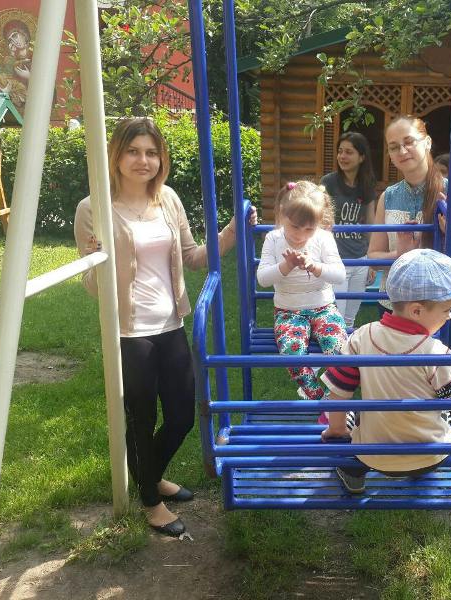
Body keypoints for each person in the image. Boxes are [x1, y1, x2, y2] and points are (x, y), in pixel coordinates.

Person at [74, 117, 256, 537]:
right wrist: (97, 261)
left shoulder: (168, 199)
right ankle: (151, 502)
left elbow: (193, 256)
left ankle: (149, 477)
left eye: (151, 152)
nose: (143, 160)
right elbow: (91, 284)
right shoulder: (93, 208)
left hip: (171, 322)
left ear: (161, 159)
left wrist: (231, 231)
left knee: (181, 417)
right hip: (129, 331)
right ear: (116, 155)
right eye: (133, 151)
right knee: (141, 418)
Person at [319, 248, 451, 492]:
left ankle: (352, 471)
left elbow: (339, 391)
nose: (450, 317)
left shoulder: (362, 336)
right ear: (416, 310)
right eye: (446, 310)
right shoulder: (435, 352)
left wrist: (337, 429)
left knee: (354, 414)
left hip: (371, 455)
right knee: (442, 411)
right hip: (429, 456)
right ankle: (417, 468)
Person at [367, 115, 451, 355]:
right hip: (393, 307)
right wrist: (400, 255)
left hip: (442, 310)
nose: (402, 151)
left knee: (448, 376)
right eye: (394, 147)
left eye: (409, 142)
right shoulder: (388, 196)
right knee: (395, 375)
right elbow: (373, 256)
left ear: (427, 142)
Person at [256, 181, 347, 409]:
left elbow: (339, 274)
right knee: (292, 355)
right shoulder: (273, 239)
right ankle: (321, 400)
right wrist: (285, 266)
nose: (300, 235)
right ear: (281, 214)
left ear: (319, 223)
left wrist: (315, 266)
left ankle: (337, 401)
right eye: (295, 227)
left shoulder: (323, 238)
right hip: (288, 312)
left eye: (309, 229)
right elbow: (263, 279)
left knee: (339, 351)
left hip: (324, 308)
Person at [320, 132, 377, 328]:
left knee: (350, 320)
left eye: (349, 152)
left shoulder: (367, 184)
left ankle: (345, 349)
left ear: (361, 157)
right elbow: (318, 219)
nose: (342, 156)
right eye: (340, 151)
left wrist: (371, 261)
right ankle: (334, 349)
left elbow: (370, 223)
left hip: (360, 259)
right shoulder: (328, 182)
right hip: (335, 260)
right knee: (336, 318)